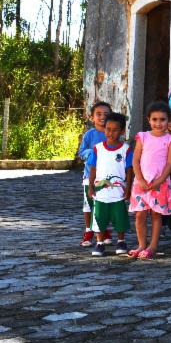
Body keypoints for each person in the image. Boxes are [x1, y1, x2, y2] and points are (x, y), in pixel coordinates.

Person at [128, 101, 171, 259]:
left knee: (157, 215)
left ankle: (153, 246)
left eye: (162, 119)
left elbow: (170, 163)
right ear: (148, 120)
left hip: (160, 183)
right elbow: (135, 160)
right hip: (141, 182)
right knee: (140, 215)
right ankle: (141, 244)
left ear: (168, 120)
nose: (158, 123)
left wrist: (160, 180)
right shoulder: (142, 137)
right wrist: (140, 179)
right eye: (154, 119)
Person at [87, 112, 132, 257]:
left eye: (115, 130)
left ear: (122, 131)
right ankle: (99, 243)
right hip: (101, 192)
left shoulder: (126, 149)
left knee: (120, 217)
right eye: (108, 129)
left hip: (118, 192)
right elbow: (92, 168)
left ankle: (121, 241)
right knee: (99, 217)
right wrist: (91, 186)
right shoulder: (97, 148)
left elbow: (129, 170)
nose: (110, 133)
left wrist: (129, 188)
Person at [78, 101, 111, 247]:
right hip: (89, 177)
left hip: (107, 177)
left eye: (106, 114)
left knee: (105, 204)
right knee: (88, 205)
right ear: (92, 117)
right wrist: (91, 153)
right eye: (98, 114)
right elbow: (81, 152)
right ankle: (89, 230)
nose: (102, 117)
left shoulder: (112, 133)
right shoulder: (89, 135)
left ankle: (104, 230)